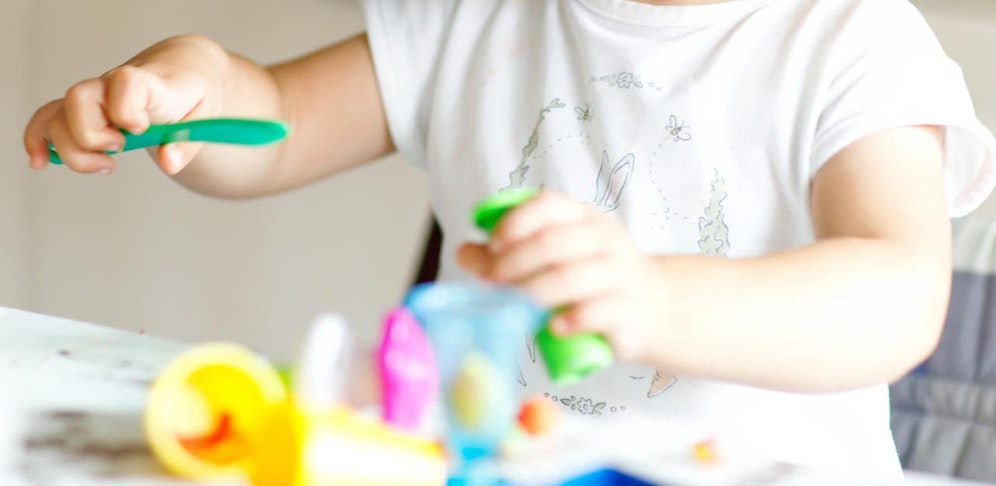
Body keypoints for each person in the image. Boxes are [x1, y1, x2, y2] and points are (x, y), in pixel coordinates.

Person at [23, 0, 996, 481]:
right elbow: (275, 125)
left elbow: (896, 295)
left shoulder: (855, 44)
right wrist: (196, 83)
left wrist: (656, 305)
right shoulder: (478, 18)